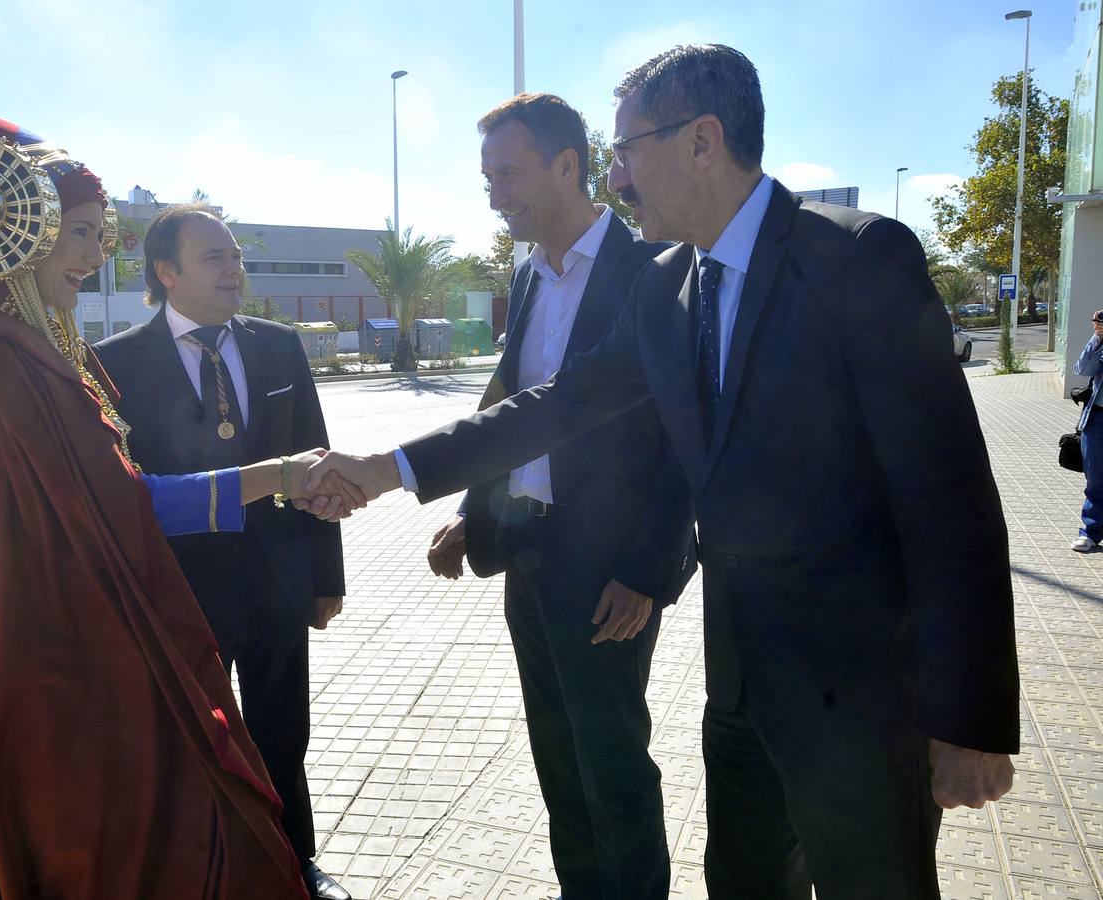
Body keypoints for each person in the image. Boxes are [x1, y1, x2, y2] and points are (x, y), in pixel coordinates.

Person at [307, 45, 1018, 900]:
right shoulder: (667, 287)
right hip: (742, 690)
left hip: (864, 697)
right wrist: (389, 468)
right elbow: (558, 405)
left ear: (701, 140)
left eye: (625, 152)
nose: (615, 179)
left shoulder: (856, 259)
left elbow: (951, 499)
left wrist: (970, 716)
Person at [0, 112, 359, 899]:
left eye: (99, 233)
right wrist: (270, 474)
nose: (93, 254)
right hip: (58, 669)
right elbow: (122, 506)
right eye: (78, 233)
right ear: (16, 236)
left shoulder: (28, 350)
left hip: (90, 647)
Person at [420, 92, 694, 898]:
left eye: (507, 172)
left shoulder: (654, 271)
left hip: (609, 571)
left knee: (611, 764)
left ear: (568, 164)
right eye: (486, 179)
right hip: (528, 554)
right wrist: (472, 515)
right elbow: (510, 408)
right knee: (558, 759)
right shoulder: (530, 278)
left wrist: (647, 569)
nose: (495, 193)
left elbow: (684, 442)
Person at [94, 204, 351, 900]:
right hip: (179, 592)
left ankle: (296, 863)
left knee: (281, 733)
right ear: (167, 272)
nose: (235, 268)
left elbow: (318, 461)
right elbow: (120, 493)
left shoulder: (279, 347)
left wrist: (325, 577)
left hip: (276, 582)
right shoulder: (113, 364)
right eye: (215, 257)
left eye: (236, 255)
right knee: (190, 744)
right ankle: (205, 874)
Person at [1071, 309, 1103, 551]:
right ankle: (1091, 531)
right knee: (1096, 479)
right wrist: (1098, 338)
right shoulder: (1100, 341)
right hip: (1098, 418)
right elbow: (1082, 369)